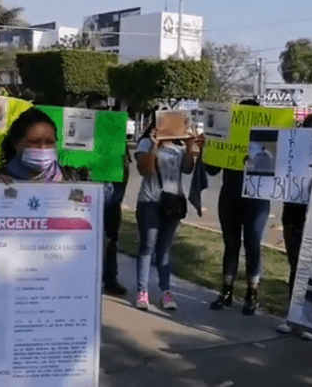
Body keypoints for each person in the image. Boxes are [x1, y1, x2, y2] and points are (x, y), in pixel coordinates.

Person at [207, 99, 271, 316]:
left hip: (257, 198)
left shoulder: (266, 141)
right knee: (230, 244)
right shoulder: (227, 137)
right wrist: (209, 147)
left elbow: (273, 171)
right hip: (230, 195)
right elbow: (212, 169)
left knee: (252, 243)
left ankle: (252, 295)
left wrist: (254, 160)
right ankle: (226, 291)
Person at [133, 115, 204, 311]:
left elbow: (188, 169)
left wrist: (190, 146)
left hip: (172, 202)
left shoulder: (179, 146)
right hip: (150, 201)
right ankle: (142, 291)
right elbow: (144, 170)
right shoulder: (147, 142)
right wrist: (155, 146)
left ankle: (165, 291)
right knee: (148, 246)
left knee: (164, 249)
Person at [277, 112, 312, 340]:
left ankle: (306, 319)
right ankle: (294, 316)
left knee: (310, 269)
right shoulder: (292, 152)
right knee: (296, 266)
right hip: (293, 215)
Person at [102, 153, 131, 296]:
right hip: (99, 184)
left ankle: (110, 278)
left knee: (111, 237)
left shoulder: (117, 143)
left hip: (114, 190)